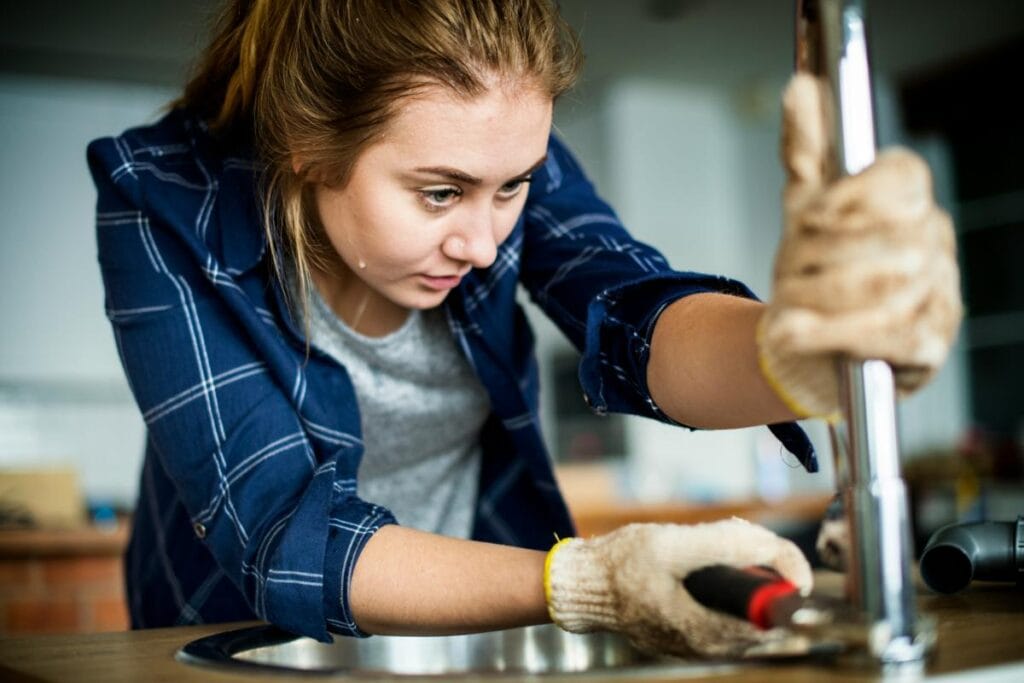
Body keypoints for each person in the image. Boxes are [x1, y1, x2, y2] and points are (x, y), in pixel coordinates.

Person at [87, 0, 960, 659]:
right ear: (308, 148)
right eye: (439, 193)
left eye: (512, 189)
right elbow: (284, 530)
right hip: (241, 640)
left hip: (474, 613)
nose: (481, 241)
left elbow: (631, 311)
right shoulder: (159, 198)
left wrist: (791, 349)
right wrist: (584, 580)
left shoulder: (498, 149)